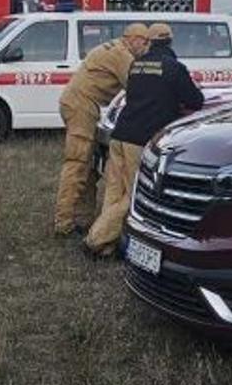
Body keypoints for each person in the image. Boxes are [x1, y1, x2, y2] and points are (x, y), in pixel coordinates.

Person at [86, 22, 204, 259]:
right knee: (133, 196)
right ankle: (95, 240)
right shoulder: (174, 67)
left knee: (113, 191)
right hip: (140, 140)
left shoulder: (137, 65)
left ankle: (110, 246)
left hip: (119, 136)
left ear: (150, 42)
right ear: (170, 41)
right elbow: (195, 101)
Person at [53, 23, 151, 236]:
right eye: (144, 42)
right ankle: (64, 223)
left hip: (79, 103)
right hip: (82, 105)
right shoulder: (122, 56)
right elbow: (138, 85)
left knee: (88, 166)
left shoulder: (113, 47)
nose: (146, 48)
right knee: (77, 163)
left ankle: (83, 218)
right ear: (133, 39)